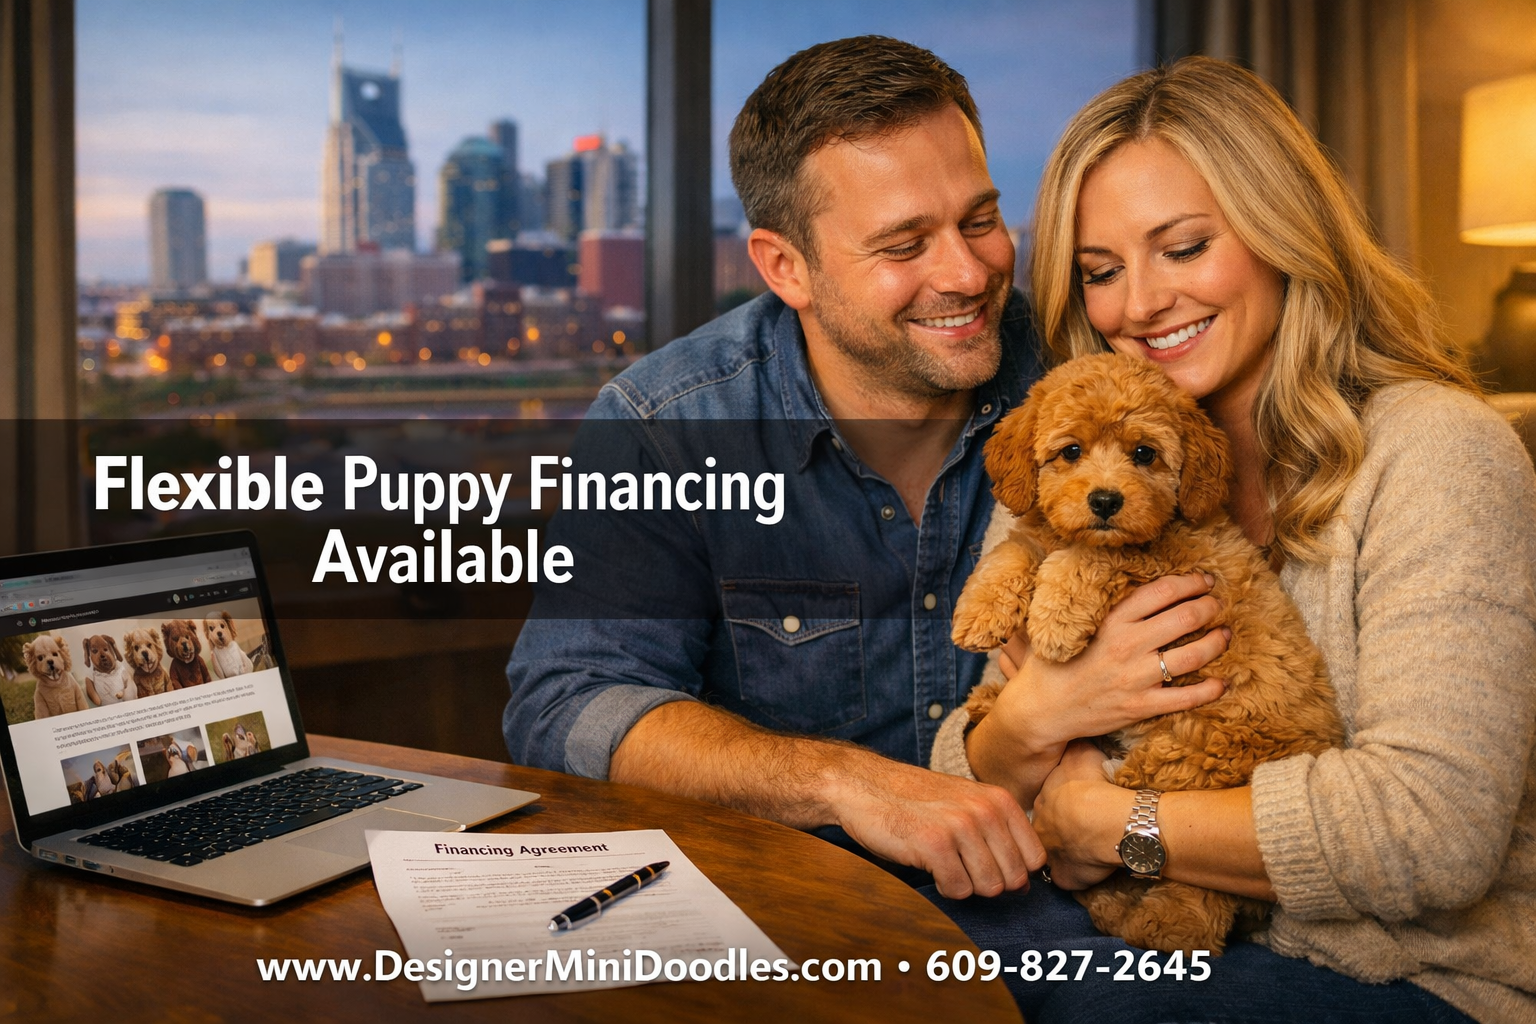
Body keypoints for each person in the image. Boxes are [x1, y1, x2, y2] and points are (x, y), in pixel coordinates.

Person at [504, 37, 1230, 899]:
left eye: (979, 220)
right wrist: (841, 783)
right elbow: (565, 702)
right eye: (903, 244)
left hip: (1071, 903)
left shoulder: (1089, 377)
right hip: (797, 907)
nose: (967, 272)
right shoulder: (667, 426)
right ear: (786, 268)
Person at [926, 57, 1536, 1024]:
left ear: (1280, 230)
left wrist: (1104, 820)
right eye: (1101, 272)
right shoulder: (1084, 446)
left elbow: (1432, 833)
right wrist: (1039, 717)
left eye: (1184, 247)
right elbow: (961, 767)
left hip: (1399, 972)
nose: (1140, 305)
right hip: (1108, 919)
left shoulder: (1439, 452)